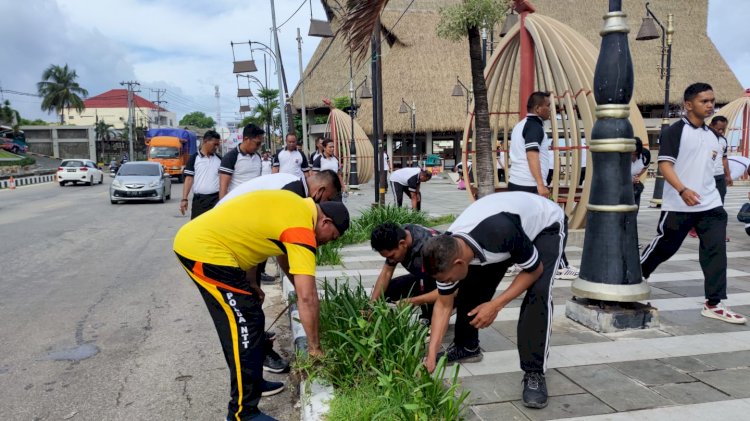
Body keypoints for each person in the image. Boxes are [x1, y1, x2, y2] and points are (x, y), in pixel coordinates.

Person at [174, 190, 350, 421]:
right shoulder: (302, 228)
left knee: (251, 318)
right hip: (205, 251)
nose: (328, 242)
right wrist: (315, 348)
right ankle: (242, 413)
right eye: (332, 236)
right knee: (245, 323)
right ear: (325, 221)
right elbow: (308, 297)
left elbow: (254, 235)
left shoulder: (296, 207)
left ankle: (253, 383)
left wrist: (250, 282)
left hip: (211, 247)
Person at [421, 192, 566, 409]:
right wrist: (432, 352)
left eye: (448, 278)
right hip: (504, 235)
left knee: (538, 292)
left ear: (460, 262)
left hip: (545, 225)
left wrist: (496, 305)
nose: (447, 283)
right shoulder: (448, 249)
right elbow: (443, 304)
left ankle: (534, 372)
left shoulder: (500, 232)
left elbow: (534, 270)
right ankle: (466, 347)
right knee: (470, 286)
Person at [641, 82, 746, 324]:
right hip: (679, 204)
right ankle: (637, 275)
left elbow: (709, 170)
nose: (710, 105)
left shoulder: (714, 137)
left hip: (710, 205)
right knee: (665, 247)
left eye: (712, 101)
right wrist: (682, 189)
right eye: (704, 101)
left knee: (715, 251)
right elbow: (665, 165)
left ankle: (715, 303)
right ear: (689, 105)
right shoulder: (675, 131)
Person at [509, 91, 578, 281]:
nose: (550, 109)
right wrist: (540, 184)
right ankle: (560, 266)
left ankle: (518, 261)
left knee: (524, 225)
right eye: (548, 105)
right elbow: (532, 155)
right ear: (538, 108)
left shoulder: (520, 125)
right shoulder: (534, 127)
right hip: (530, 184)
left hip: (517, 183)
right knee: (558, 220)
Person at [369, 222, 441, 322]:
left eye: (392, 256)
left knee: (425, 284)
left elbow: (451, 289)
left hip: (451, 285)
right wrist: (371, 306)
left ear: (402, 244)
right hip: (424, 276)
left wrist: (413, 301)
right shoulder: (401, 234)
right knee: (386, 291)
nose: (391, 261)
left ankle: (430, 316)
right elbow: (386, 273)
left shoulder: (430, 248)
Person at [690, 115, 731, 240]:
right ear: (711, 125)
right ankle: (694, 228)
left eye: (723, 129)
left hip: (719, 176)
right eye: (718, 129)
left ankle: (719, 232)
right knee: (700, 203)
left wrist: (728, 175)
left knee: (719, 205)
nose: (721, 132)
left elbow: (724, 158)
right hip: (704, 176)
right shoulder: (702, 138)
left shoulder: (723, 140)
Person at [179, 130, 222, 219]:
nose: (216, 147)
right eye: (214, 144)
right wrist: (184, 199)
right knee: (198, 229)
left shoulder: (220, 160)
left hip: (216, 200)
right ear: (205, 141)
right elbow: (189, 179)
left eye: (218, 144)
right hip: (200, 201)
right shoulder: (194, 158)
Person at [219, 124, 263, 200]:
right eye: (257, 143)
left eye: (260, 144)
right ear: (246, 139)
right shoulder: (231, 157)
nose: (259, 146)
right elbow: (223, 187)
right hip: (237, 203)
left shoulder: (258, 157)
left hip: (255, 201)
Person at [631, 137, 651, 213]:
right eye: (631, 154)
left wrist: (638, 176)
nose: (633, 156)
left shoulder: (645, 155)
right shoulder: (621, 156)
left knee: (634, 209)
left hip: (634, 186)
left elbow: (646, 166)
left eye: (635, 154)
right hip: (621, 184)